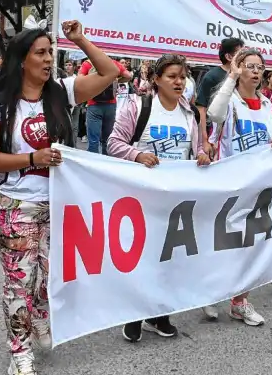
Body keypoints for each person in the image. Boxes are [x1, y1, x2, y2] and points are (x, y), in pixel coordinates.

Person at [0, 21, 121, 375]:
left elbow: (109, 71)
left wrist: (80, 39)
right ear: (21, 60)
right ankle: (19, 349)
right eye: (40, 53)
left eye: (50, 52)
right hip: (13, 206)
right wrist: (32, 159)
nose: (48, 59)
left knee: (52, 273)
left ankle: (41, 316)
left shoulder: (61, 93)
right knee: (19, 281)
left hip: (56, 203)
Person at [107, 53, 211, 342]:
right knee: (143, 256)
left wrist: (203, 154)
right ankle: (134, 313)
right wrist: (137, 154)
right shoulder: (137, 106)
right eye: (172, 76)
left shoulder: (191, 113)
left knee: (170, 258)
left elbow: (199, 149)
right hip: (142, 197)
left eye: (182, 77)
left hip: (176, 199)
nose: (179, 82)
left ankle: (159, 314)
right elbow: (113, 143)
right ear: (156, 79)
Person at [206, 48, 272, 325]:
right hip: (229, 184)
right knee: (223, 243)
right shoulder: (229, 100)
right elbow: (214, 116)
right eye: (249, 66)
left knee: (251, 244)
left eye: (259, 67)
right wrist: (231, 78)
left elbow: (270, 137)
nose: (255, 71)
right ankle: (212, 294)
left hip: (258, 184)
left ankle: (240, 301)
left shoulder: (266, 105)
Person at [196, 38, 244, 157]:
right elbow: (201, 109)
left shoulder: (244, 75)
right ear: (228, 57)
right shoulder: (212, 77)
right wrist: (205, 141)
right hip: (216, 136)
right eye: (240, 54)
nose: (244, 57)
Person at [79, 56, 133, 154]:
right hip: (110, 105)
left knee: (93, 141)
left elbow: (79, 79)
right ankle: (106, 164)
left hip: (93, 104)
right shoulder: (113, 63)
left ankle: (92, 166)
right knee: (107, 140)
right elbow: (128, 76)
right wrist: (115, 80)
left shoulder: (88, 63)